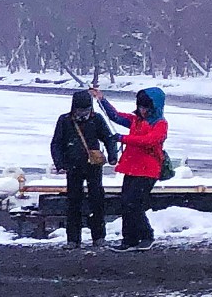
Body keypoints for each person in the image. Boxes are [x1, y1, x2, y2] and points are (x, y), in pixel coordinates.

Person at [92, 85, 169, 250]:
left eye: (146, 107)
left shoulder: (160, 124)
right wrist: (101, 99)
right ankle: (129, 240)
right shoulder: (136, 120)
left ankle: (146, 235)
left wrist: (123, 138)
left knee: (134, 204)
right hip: (133, 168)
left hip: (148, 170)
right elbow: (115, 116)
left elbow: (150, 141)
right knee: (127, 203)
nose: (142, 110)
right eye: (141, 107)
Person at [49, 89, 119, 247]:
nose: (83, 114)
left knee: (97, 200)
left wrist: (113, 155)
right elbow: (56, 144)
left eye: (86, 110)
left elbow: (108, 138)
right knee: (73, 202)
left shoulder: (97, 119)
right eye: (80, 110)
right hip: (72, 167)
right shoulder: (65, 120)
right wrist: (60, 164)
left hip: (93, 166)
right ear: (74, 108)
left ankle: (98, 237)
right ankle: (73, 239)